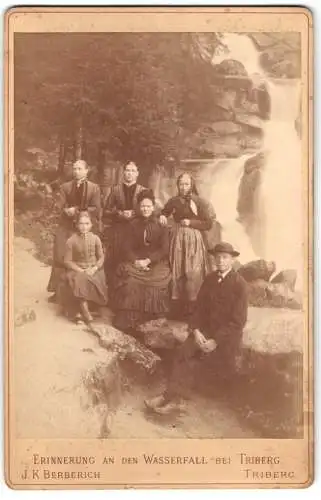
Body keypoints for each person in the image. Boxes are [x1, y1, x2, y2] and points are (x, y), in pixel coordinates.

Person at [145, 242, 248, 415]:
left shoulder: (240, 284)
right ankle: (170, 397)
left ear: (232, 260)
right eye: (218, 257)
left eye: (225, 257)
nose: (220, 261)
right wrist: (196, 330)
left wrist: (216, 340)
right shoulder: (209, 279)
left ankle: (175, 399)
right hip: (205, 332)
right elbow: (198, 310)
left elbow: (238, 322)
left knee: (197, 360)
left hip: (226, 337)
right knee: (183, 351)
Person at [113, 190, 171, 332]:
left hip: (155, 263)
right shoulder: (133, 224)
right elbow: (126, 247)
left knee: (157, 282)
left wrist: (149, 261)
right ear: (139, 207)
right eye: (143, 206)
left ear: (153, 207)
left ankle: (151, 319)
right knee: (131, 281)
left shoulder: (161, 225)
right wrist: (136, 261)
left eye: (148, 206)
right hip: (136, 262)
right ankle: (130, 320)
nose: (145, 209)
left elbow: (164, 249)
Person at [159, 172, 216, 318]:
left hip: (194, 239)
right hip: (178, 239)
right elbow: (164, 212)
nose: (184, 187)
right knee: (177, 270)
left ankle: (193, 307)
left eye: (187, 184)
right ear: (178, 185)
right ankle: (178, 307)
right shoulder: (174, 201)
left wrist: (191, 222)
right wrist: (162, 216)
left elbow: (209, 224)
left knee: (193, 271)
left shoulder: (200, 202)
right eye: (181, 184)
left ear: (191, 185)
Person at [47, 160, 101, 302]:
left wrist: (77, 211)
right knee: (61, 255)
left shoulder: (94, 188)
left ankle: (80, 292)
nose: (76, 171)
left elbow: (96, 208)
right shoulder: (65, 187)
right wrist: (65, 210)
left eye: (79, 168)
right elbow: (59, 205)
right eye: (74, 168)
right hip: (66, 225)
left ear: (86, 170)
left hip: (83, 226)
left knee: (79, 257)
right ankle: (59, 292)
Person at [102, 161, 147, 292]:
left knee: (132, 259)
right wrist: (119, 213)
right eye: (127, 170)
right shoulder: (115, 190)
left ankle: (131, 294)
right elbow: (106, 210)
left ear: (137, 174)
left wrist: (134, 212)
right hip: (119, 230)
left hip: (136, 230)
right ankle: (113, 294)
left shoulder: (143, 191)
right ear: (123, 173)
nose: (130, 173)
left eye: (133, 171)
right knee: (115, 260)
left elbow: (149, 210)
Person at [58, 211, 108, 325]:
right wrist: (81, 270)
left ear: (91, 225)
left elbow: (101, 257)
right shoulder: (71, 240)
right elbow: (67, 261)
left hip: (93, 268)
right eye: (81, 224)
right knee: (80, 279)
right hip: (77, 269)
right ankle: (85, 312)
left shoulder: (96, 239)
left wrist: (95, 268)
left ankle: (83, 310)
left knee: (93, 279)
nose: (84, 226)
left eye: (87, 223)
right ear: (76, 225)